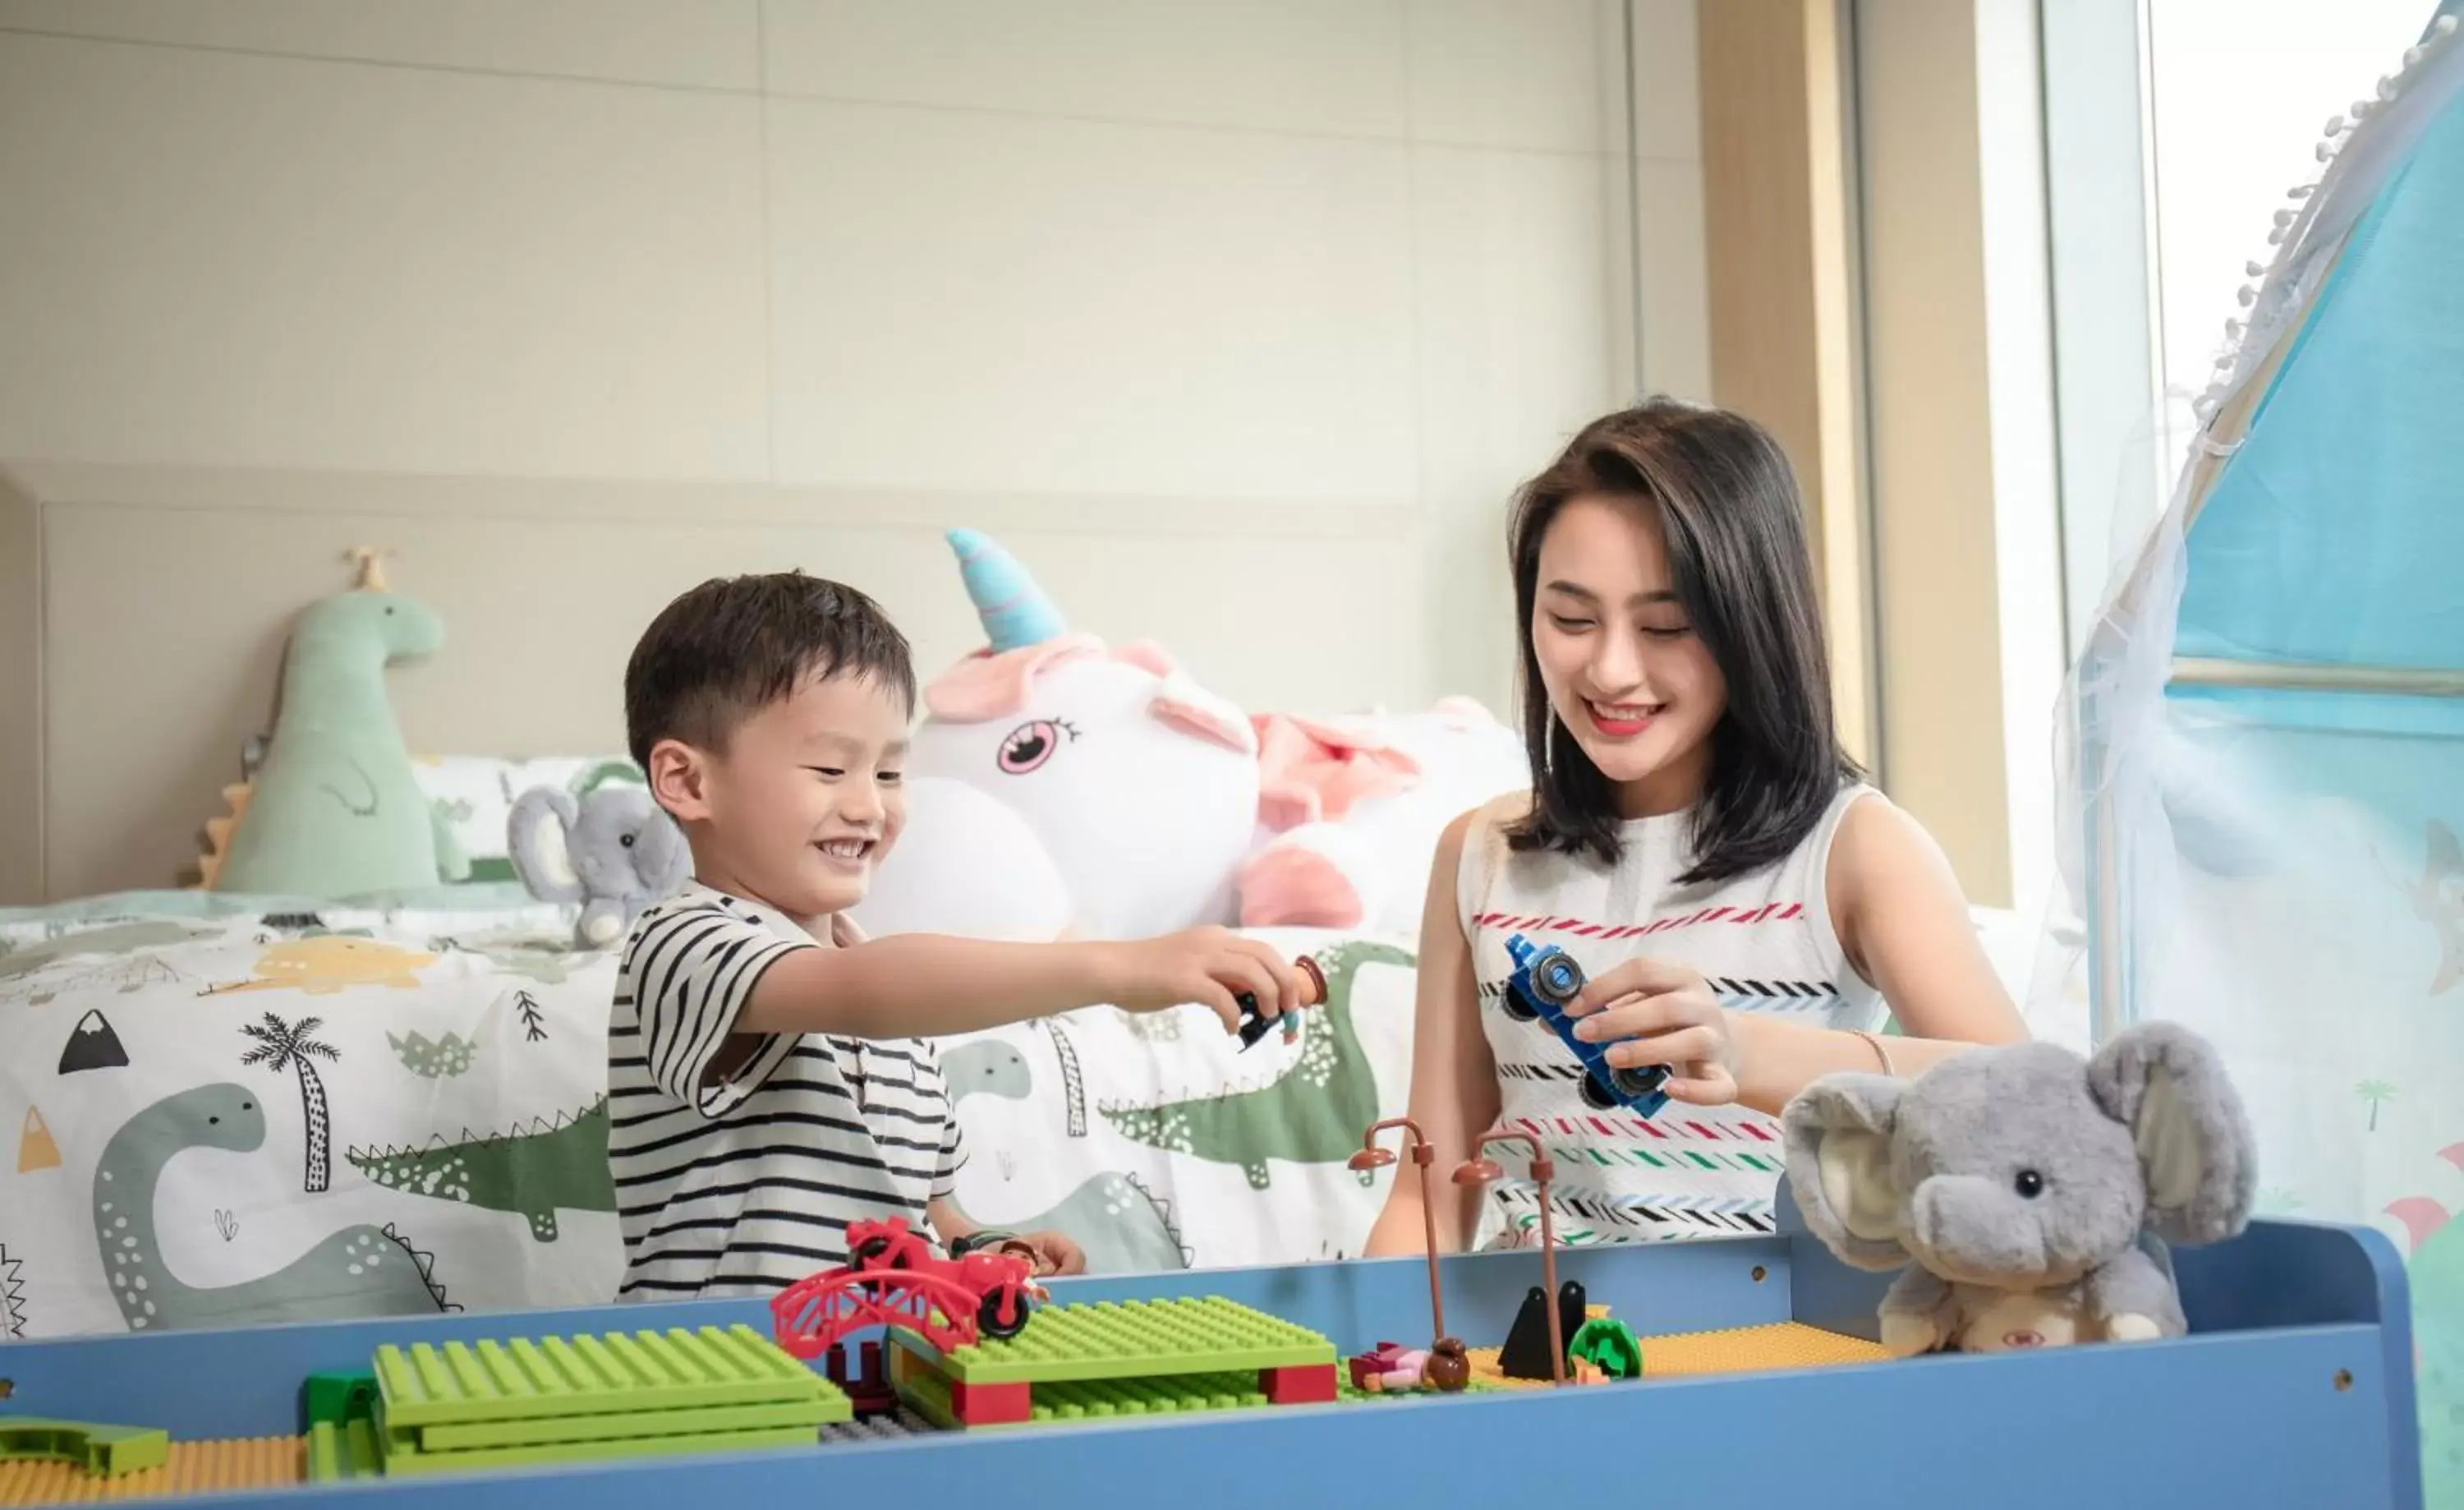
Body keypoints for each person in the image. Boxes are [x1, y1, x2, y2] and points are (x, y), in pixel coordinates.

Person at [1363, 398, 2029, 1256]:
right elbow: (1431, 1191)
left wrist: (1751, 1052)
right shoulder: (1479, 855)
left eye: (1666, 626)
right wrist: (1375, 1374)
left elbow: (2029, 1108)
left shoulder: (1854, 850)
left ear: (1749, 623)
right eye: (1570, 619)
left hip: (1774, 1357)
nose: (1609, 668)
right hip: (1541, 1359)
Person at [610, 572, 1310, 1300]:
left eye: (888, 771)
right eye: (829, 769)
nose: (868, 806)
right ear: (688, 783)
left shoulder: (892, 1003)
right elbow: (866, 991)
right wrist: (1115, 966)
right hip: (725, 1368)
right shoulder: (685, 941)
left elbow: (923, 1208)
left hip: (872, 1372)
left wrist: (984, 1248)